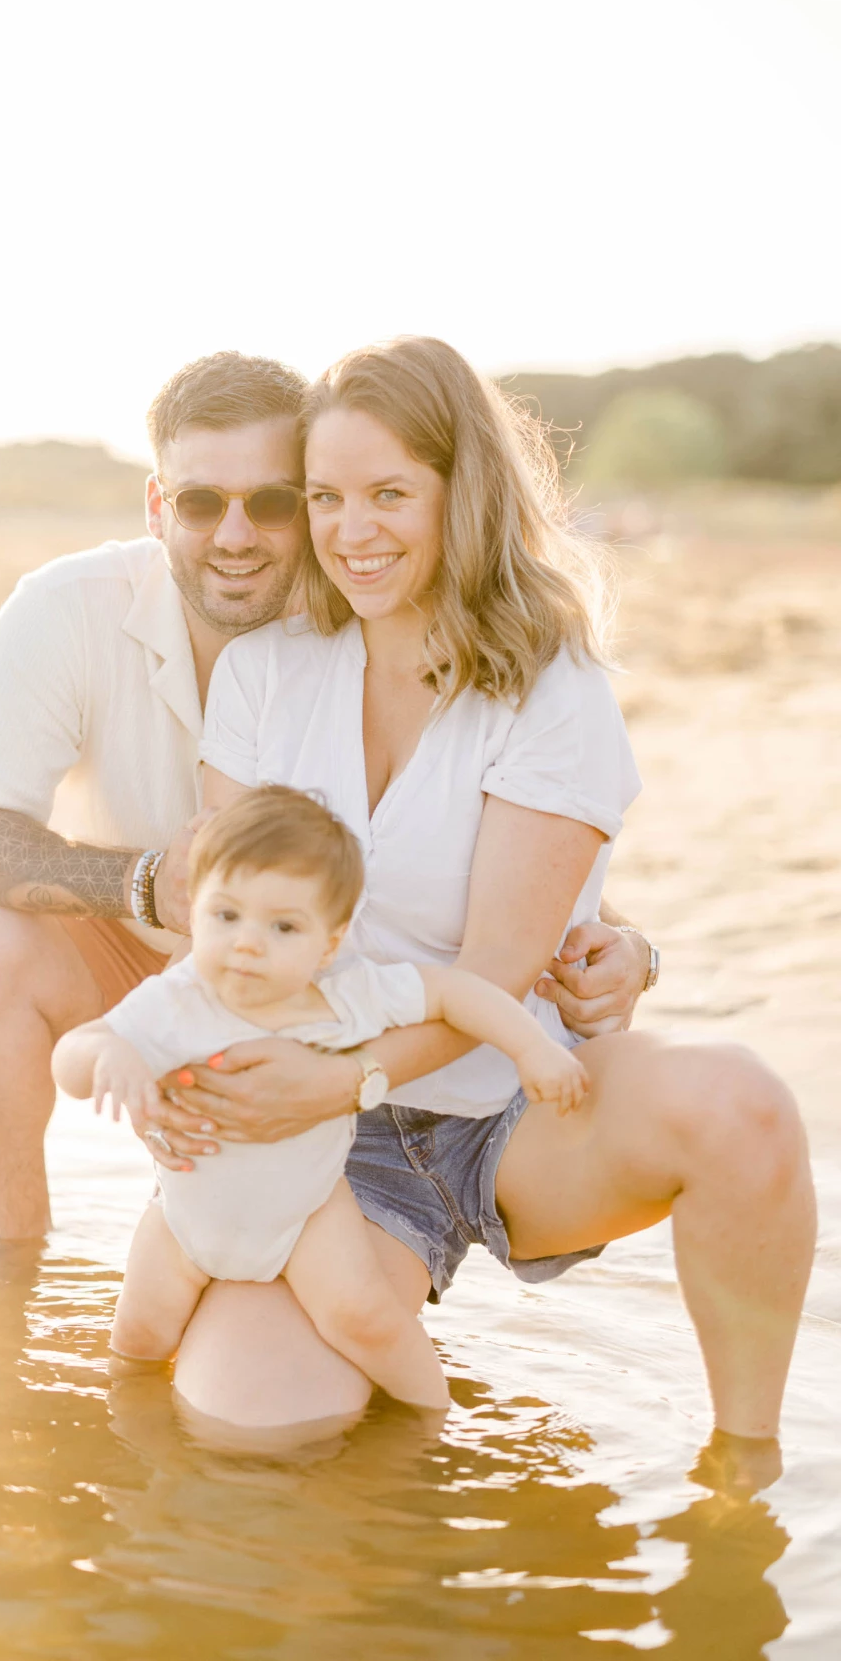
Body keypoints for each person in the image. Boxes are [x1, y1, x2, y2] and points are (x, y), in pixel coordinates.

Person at [158, 335, 812, 1454]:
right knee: (252, 1434)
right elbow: (237, 933)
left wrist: (335, 1082)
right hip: (333, 1150)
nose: (350, 531)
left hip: (516, 1108)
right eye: (325, 497)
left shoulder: (550, 683)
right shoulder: (266, 675)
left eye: (389, 494)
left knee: (741, 1107)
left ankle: (741, 1476)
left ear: (462, 494)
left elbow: (497, 969)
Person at [0, 350, 650, 1241]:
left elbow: (468, 816)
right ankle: (17, 1259)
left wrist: (627, 941)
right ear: (157, 507)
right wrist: (148, 885)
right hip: (151, 950)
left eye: (272, 500)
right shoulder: (71, 606)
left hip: (328, 987)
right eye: (199, 503)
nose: (236, 535)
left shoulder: (374, 595)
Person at [52, 784, 589, 1416]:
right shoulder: (178, 1000)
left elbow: (453, 994)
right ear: (195, 910)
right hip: (186, 1221)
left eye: (282, 926)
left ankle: (432, 1427)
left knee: (367, 1321)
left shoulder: (342, 997)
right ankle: (134, 1453)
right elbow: (73, 1057)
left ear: (328, 944)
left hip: (305, 1215)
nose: (248, 942)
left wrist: (534, 1049)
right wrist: (108, 1054)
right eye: (226, 915)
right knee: (138, 1341)